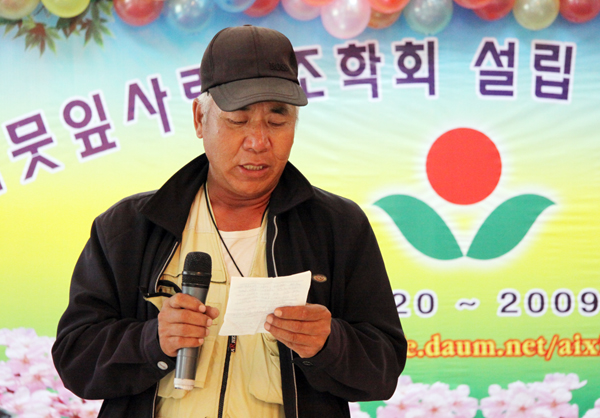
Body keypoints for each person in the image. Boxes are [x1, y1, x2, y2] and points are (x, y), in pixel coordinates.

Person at [52, 25, 407, 418]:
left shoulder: (339, 227)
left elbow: (383, 369)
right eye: (238, 119)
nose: (258, 142)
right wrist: (152, 340)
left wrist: (330, 343)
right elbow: (75, 359)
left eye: (277, 120)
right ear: (199, 119)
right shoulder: (128, 228)